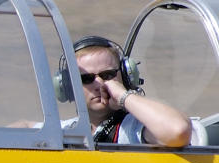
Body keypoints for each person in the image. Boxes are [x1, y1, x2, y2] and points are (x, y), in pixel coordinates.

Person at [64, 35, 192, 146]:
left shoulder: (133, 126)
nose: (99, 84)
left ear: (125, 77)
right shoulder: (65, 130)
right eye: (86, 78)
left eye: (108, 75)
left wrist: (123, 96)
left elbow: (178, 131)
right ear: (68, 85)